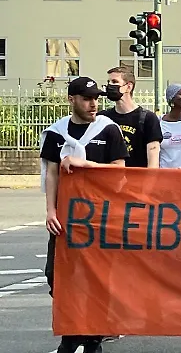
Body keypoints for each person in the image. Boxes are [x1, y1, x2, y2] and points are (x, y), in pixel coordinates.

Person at [41, 76, 128, 353]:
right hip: (67, 218)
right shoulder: (56, 134)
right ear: (72, 100)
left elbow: (120, 170)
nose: (93, 104)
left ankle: (91, 336)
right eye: (87, 99)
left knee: (97, 278)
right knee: (57, 277)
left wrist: (86, 163)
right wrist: (50, 210)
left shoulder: (108, 130)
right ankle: (74, 328)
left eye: (96, 99)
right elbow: (52, 173)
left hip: (99, 218)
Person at [100, 66, 162, 169]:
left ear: (129, 87)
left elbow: (153, 159)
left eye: (114, 82)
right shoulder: (103, 118)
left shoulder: (147, 118)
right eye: (108, 82)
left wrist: (149, 183)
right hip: (110, 180)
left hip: (137, 180)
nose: (110, 86)